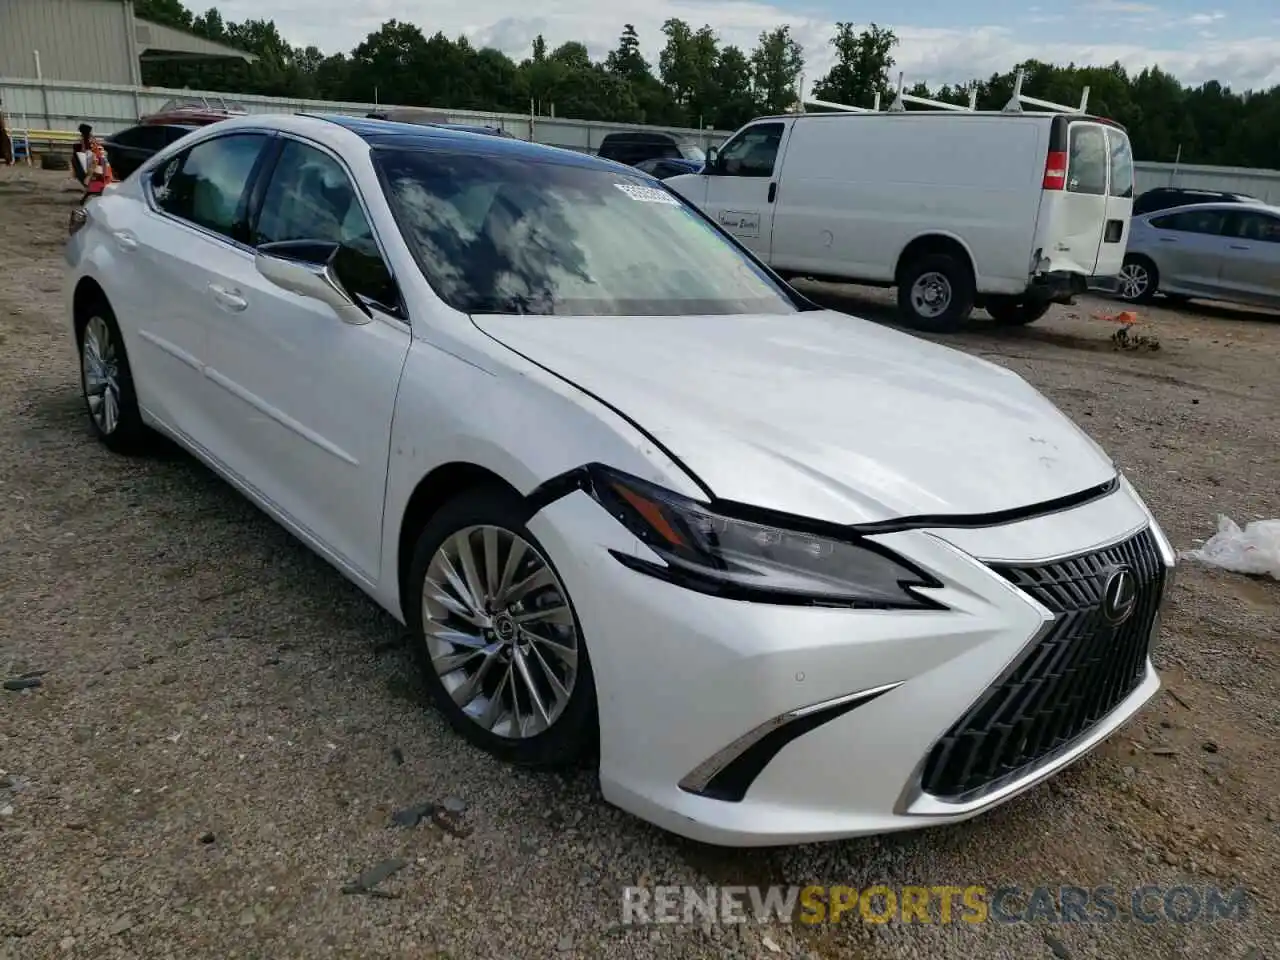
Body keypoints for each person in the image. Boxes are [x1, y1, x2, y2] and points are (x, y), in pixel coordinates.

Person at [71, 123, 114, 202]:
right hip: (100, 161)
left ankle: (92, 194)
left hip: (95, 162)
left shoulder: (85, 140)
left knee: (94, 180)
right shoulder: (92, 139)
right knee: (100, 180)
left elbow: (85, 153)